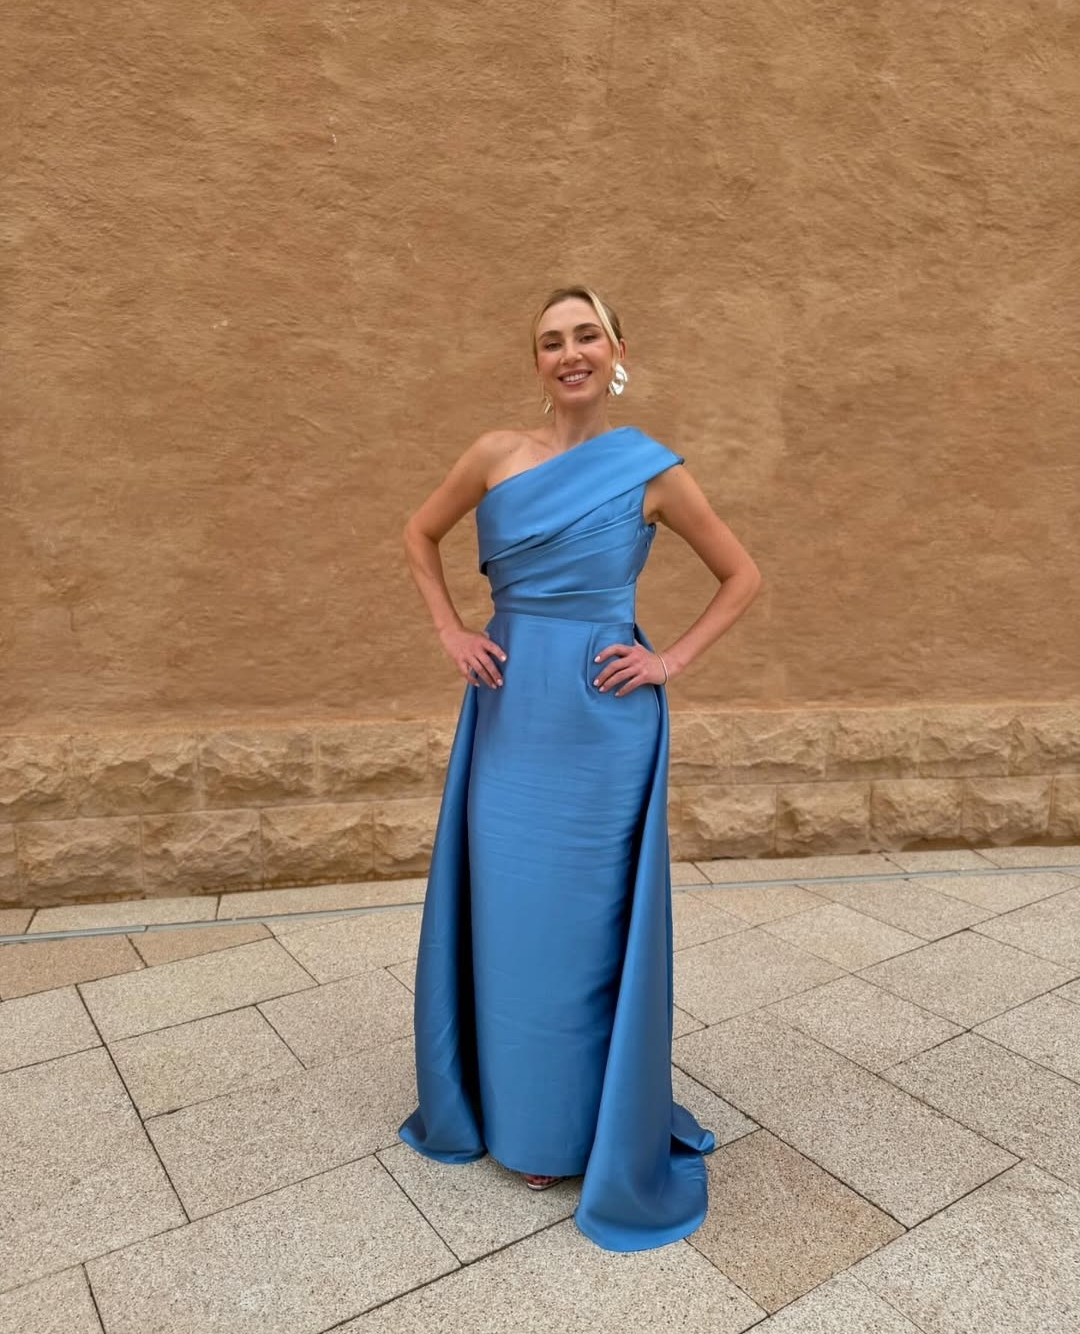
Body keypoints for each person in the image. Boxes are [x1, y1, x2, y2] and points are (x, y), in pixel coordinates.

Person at [398, 285, 762, 1251]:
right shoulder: (494, 454)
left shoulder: (654, 471)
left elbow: (743, 575)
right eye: (552, 341)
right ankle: (516, 1115)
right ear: (537, 362)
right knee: (511, 916)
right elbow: (418, 533)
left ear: (616, 350)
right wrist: (451, 629)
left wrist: (667, 662)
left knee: (588, 932)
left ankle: (576, 1126)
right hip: (512, 710)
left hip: (606, 724)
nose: (571, 353)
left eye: (586, 336)